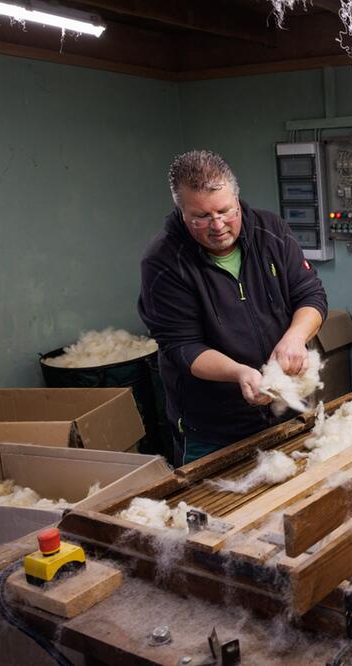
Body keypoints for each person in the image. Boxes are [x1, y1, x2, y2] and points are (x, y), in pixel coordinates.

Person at [139, 150, 327, 465]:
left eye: (226, 211)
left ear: (236, 199)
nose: (218, 225)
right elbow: (182, 347)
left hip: (286, 409)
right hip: (212, 429)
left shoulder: (271, 232)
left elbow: (310, 295)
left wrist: (294, 337)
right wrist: (239, 372)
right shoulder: (163, 262)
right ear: (181, 211)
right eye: (201, 217)